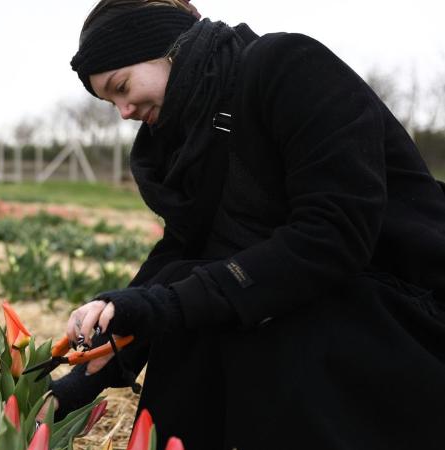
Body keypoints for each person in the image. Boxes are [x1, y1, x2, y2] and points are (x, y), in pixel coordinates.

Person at [49, 1, 445, 448]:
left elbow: (332, 237)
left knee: (243, 316)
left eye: (121, 87)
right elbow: (182, 256)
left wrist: (168, 305)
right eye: (111, 102)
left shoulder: (289, 68)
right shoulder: (187, 138)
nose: (123, 112)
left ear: (168, 48)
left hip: (413, 312)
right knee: (198, 295)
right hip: (334, 302)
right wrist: (85, 377)